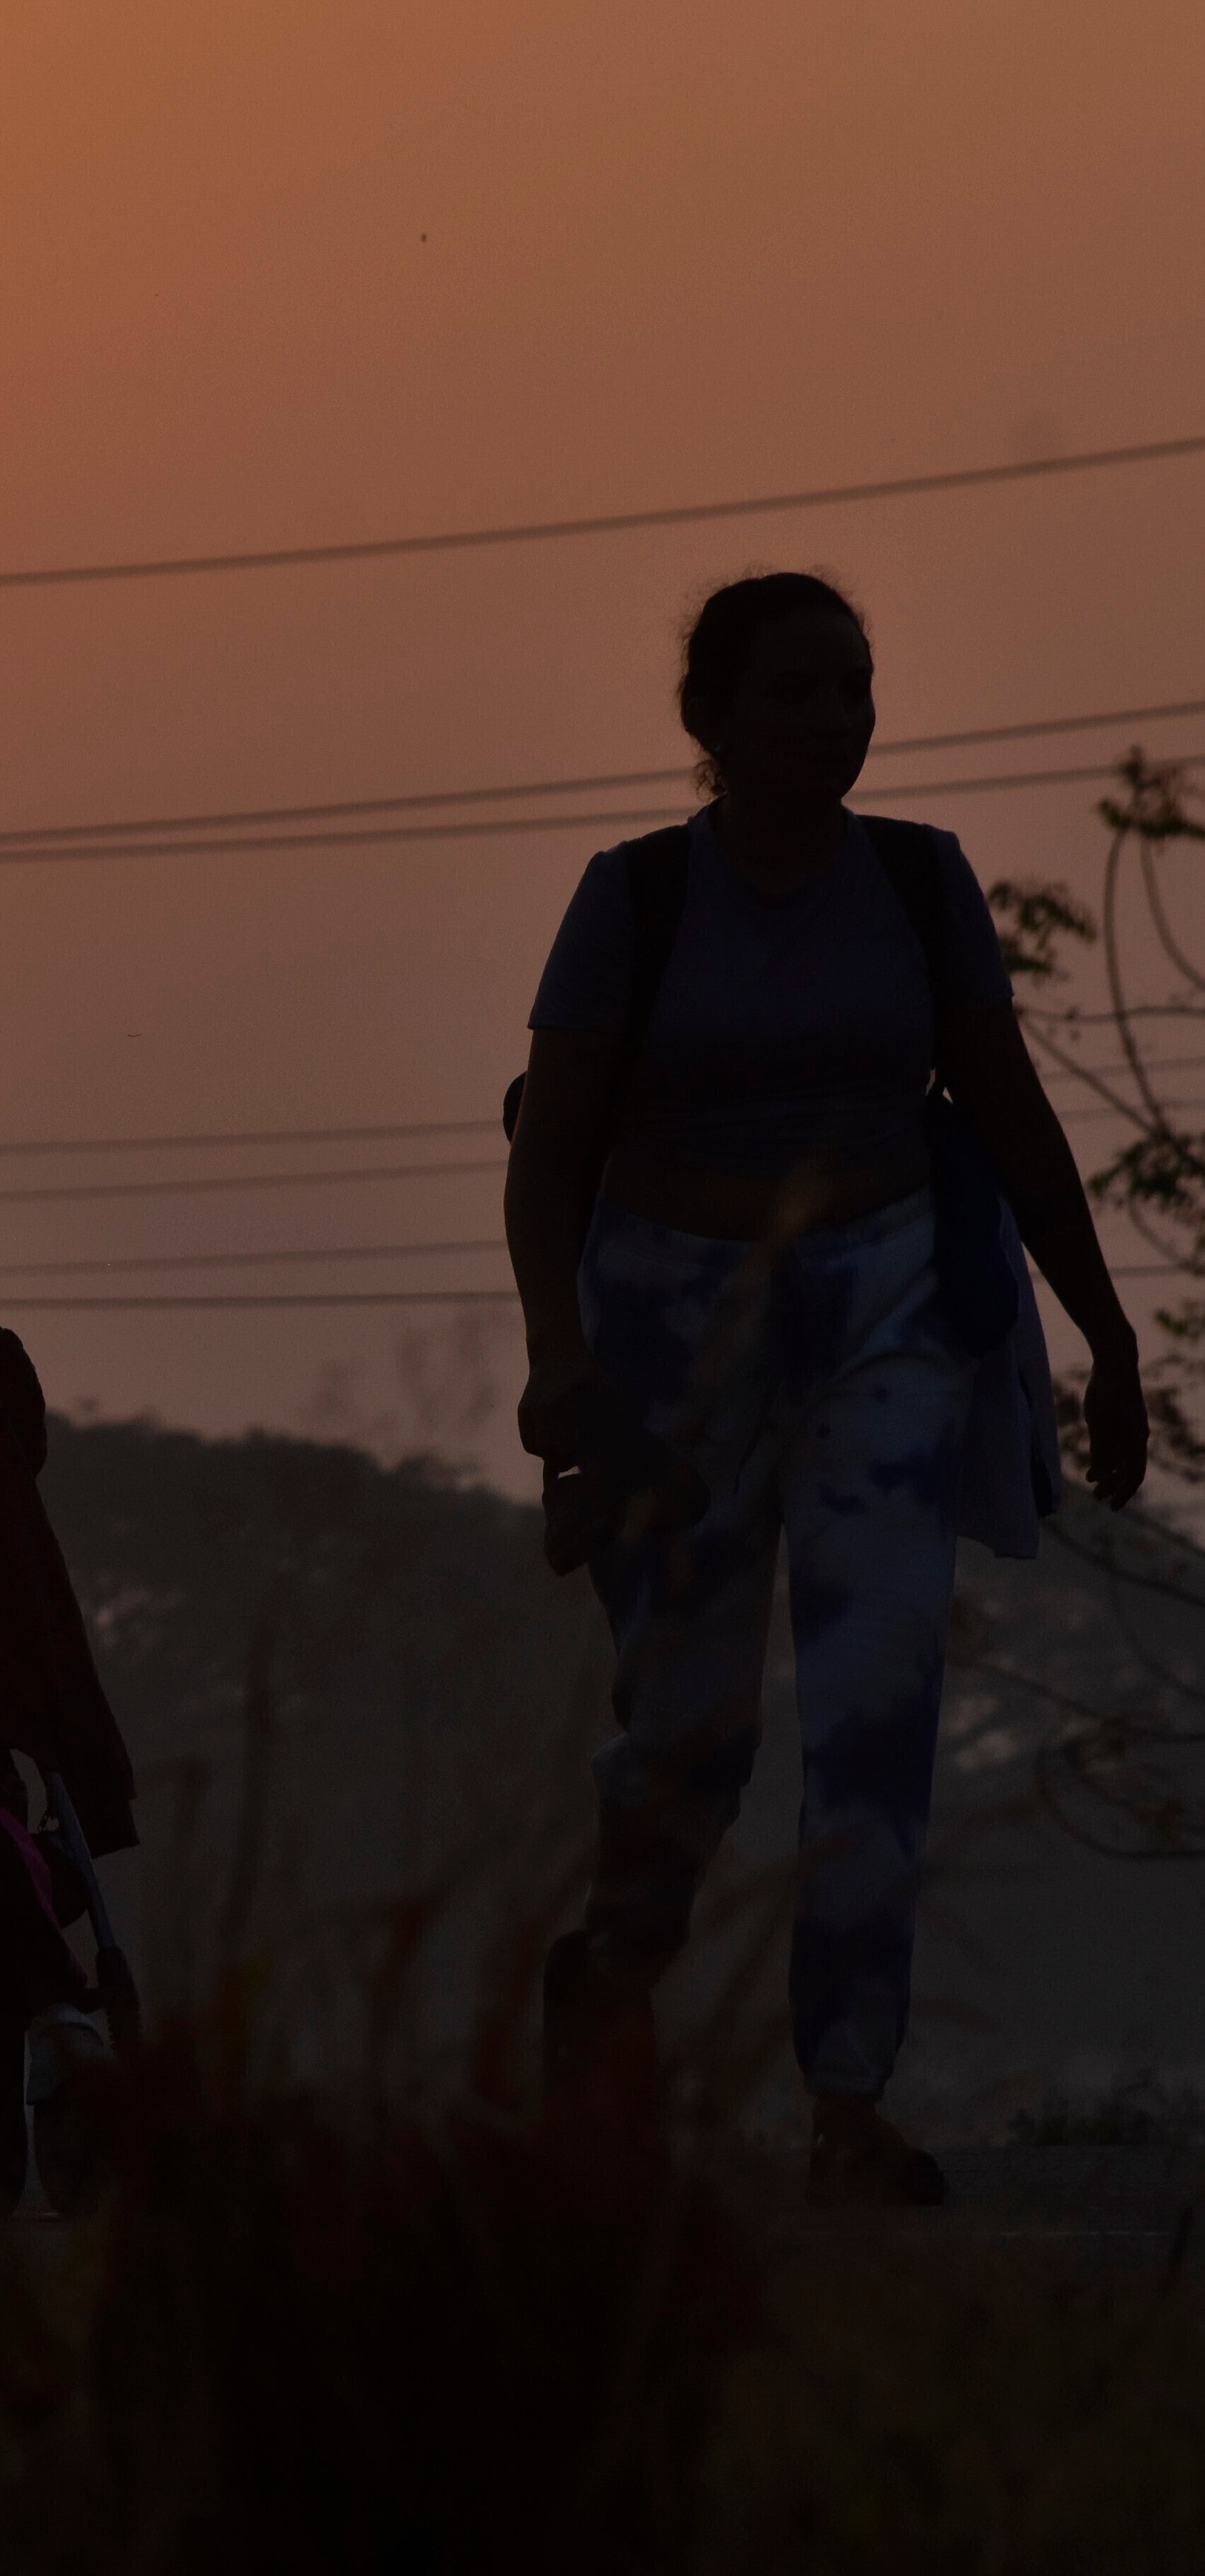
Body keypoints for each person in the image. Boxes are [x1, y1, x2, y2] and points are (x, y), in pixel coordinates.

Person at [506, 571, 1150, 2207]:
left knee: (873, 1707)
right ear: (706, 724)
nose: (830, 720)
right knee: (690, 1735)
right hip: (666, 1325)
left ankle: (843, 2094)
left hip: (880, 1308)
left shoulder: (917, 886)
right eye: (789, 693)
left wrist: (1103, 1333)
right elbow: (547, 1157)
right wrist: (558, 1368)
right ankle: (607, 1993)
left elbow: (1005, 1117)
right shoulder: (634, 898)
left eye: (850, 689)